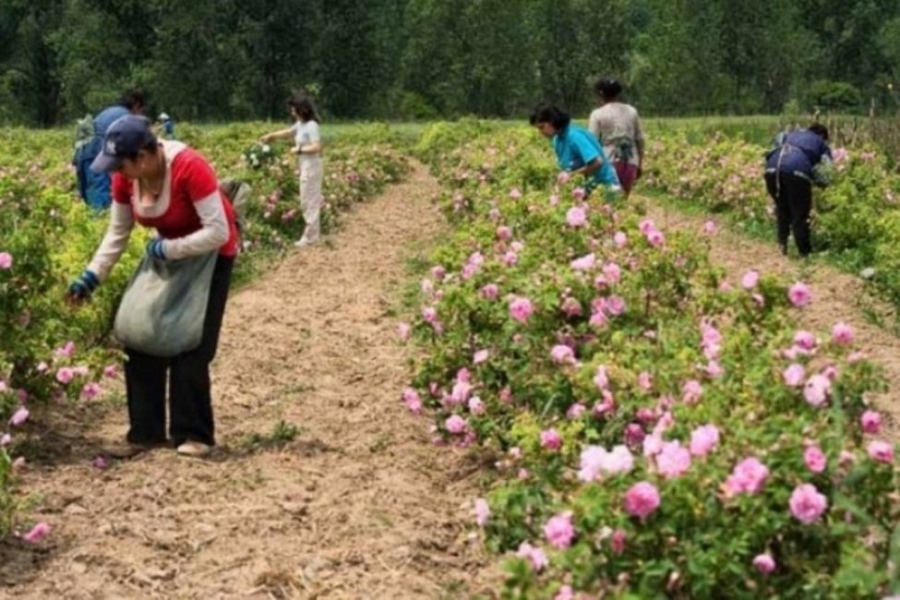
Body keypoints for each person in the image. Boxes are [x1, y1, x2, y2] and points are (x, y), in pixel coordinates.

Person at [67, 115, 240, 459]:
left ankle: (194, 434)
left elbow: (218, 230)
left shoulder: (190, 167)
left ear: (143, 158)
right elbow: (117, 233)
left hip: (211, 255)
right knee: (139, 332)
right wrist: (91, 277)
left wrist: (168, 249)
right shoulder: (126, 181)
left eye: (121, 165)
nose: (117, 173)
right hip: (170, 252)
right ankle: (146, 433)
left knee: (191, 343)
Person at [259, 94, 323, 247]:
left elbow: (317, 147)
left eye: (294, 109)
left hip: (312, 165)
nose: (292, 112)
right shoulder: (300, 124)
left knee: (308, 200)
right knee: (306, 199)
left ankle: (310, 237)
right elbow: (288, 132)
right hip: (304, 165)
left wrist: (299, 149)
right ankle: (312, 234)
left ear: (302, 109)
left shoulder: (312, 125)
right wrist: (270, 136)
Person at [763, 124, 833, 257]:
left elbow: (771, 150)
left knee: (782, 209)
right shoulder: (821, 143)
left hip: (771, 170)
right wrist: (823, 186)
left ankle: (781, 244)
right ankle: (804, 252)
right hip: (797, 171)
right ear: (822, 136)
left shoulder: (790, 134)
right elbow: (827, 171)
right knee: (799, 213)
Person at [529, 103, 620, 197]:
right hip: (587, 191)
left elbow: (597, 162)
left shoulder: (574, 136)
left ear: (552, 121)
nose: (541, 132)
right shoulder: (557, 140)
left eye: (542, 127)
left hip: (605, 188)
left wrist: (570, 176)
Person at [76, 90, 145, 210]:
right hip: (98, 151)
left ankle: (91, 220)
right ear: (136, 105)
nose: (140, 114)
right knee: (101, 191)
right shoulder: (126, 116)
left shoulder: (109, 112)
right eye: (141, 110)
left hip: (83, 150)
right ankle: (100, 222)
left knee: (88, 190)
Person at [588, 77, 645, 199]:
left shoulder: (597, 114)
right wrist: (640, 163)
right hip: (630, 160)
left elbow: (592, 142)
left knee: (608, 202)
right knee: (623, 200)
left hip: (608, 162)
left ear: (600, 94)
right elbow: (640, 139)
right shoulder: (631, 111)